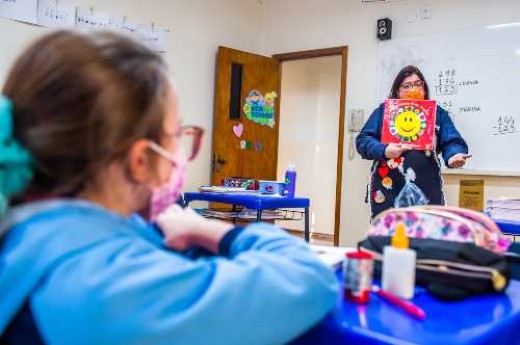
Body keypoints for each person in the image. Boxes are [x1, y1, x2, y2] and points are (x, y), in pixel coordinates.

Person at [0, 31, 338, 345]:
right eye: (176, 134)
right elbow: (310, 281)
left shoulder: (27, 228)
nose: (180, 150)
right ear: (141, 160)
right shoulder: (106, 286)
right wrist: (210, 229)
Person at [356, 65, 471, 219]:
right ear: (397, 91)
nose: (413, 89)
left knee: (426, 235)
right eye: (407, 86)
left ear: (424, 87)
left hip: (427, 188)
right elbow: (363, 140)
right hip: (388, 188)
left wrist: (453, 156)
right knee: (388, 236)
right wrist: (384, 150)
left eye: (418, 84)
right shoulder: (384, 112)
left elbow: (451, 141)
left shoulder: (437, 113)